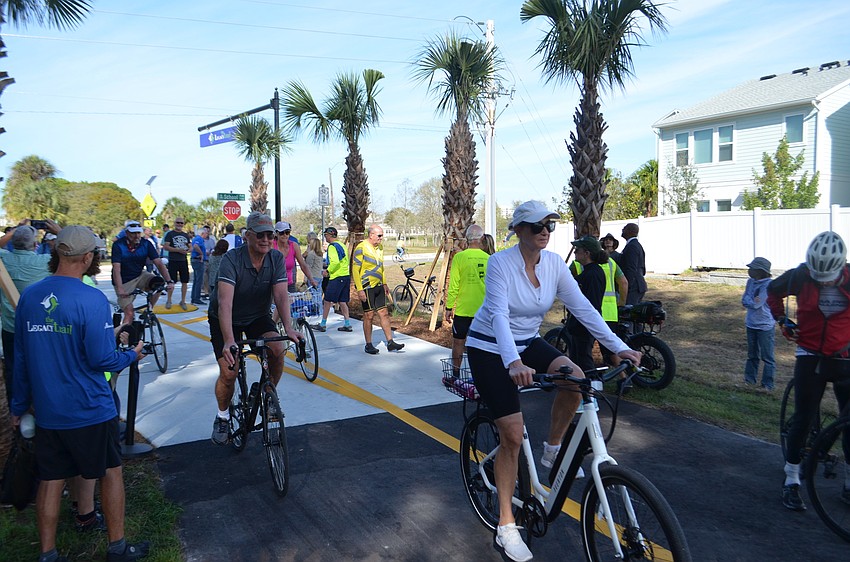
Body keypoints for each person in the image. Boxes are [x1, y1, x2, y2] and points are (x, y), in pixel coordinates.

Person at [465, 201, 640, 562]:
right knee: (512, 434)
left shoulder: (556, 264)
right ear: (518, 230)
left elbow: (584, 309)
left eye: (550, 225)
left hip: (527, 341)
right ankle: (507, 527)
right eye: (536, 226)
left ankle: (552, 449)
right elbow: (497, 313)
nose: (544, 231)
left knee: (575, 378)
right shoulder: (500, 263)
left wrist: (619, 348)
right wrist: (512, 361)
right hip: (489, 347)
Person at [10, 225, 151, 562]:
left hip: (48, 410)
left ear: (58, 253)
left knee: (51, 479)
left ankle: (48, 554)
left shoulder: (30, 296)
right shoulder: (91, 299)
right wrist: (132, 355)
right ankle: (117, 547)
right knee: (111, 472)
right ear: (88, 258)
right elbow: (101, 358)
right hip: (90, 408)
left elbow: (21, 357)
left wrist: (18, 406)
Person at [767, 231, 850, 512]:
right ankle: (791, 479)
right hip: (810, 353)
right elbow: (772, 291)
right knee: (803, 416)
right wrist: (781, 319)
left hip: (845, 356)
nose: (821, 281)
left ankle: (849, 482)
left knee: (849, 422)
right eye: (817, 276)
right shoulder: (801, 276)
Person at [208, 212, 302, 445]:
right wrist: (230, 340)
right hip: (225, 317)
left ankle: (266, 396)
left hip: (256, 316)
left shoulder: (276, 259)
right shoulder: (232, 260)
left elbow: (281, 295)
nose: (267, 239)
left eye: (270, 234)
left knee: (277, 348)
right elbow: (225, 303)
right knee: (230, 371)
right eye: (261, 234)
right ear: (247, 236)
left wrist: (288, 328)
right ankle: (222, 416)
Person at [0, 221, 60, 404]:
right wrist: (59, 232)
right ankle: (39, 405)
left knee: (12, 368)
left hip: (10, 326)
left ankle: (16, 408)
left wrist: (15, 231)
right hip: (37, 327)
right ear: (35, 245)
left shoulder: (4, 259)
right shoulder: (43, 262)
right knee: (39, 367)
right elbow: (70, 252)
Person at [351, 224, 404, 354]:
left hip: (378, 285)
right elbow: (355, 270)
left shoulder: (380, 247)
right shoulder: (361, 247)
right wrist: (359, 289)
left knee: (384, 313)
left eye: (382, 236)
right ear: (371, 235)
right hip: (366, 286)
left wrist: (384, 283)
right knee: (369, 315)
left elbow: (381, 267)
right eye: (379, 236)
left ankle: (390, 342)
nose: (381, 238)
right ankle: (368, 344)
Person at [445, 224, 490, 377]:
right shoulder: (490, 259)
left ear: (466, 239)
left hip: (464, 310)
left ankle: (455, 374)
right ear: (482, 238)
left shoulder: (459, 257)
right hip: (484, 311)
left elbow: (454, 285)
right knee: (483, 344)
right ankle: (481, 375)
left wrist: (449, 307)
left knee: (458, 342)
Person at [111, 220, 173, 324]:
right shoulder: (118, 245)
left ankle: (148, 310)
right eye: (133, 233)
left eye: (138, 233)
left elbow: (158, 263)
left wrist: (169, 281)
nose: (136, 236)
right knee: (129, 313)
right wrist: (120, 289)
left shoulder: (146, 244)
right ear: (126, 233)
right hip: (124, 280)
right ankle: (122, 336)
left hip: (140, 274)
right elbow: (117, 269)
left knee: (159, 283)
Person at [566, 236, 608, 377]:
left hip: (584, 325)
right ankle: (581, 390)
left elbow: (591, 303)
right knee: (578, 359)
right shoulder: (589, 271)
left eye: (577, 250)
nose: (575, 252)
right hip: (581, 324)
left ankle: (592, 391)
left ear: (587, 253)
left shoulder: (593, 274)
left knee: (584, 360)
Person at [742, 257, 775, 390]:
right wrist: (750, 300)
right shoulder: (750, 282)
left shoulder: (768, 285)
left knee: (767, 357)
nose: (749, 271)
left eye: (752, 269)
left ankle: (768, 385)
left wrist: (750, 301)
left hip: (765, 325)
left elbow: (757, 304)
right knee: (752, 355)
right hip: (751, 323)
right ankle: (749, 380)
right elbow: (744, 299)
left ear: (760, 271)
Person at [313, 227, 353, 332]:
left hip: (336, 277)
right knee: (342, 301)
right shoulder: (342, 245)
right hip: (345, 276)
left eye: (325, 235)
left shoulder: (332, 247)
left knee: (327, 300)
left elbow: (335, 262)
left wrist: (327, 271)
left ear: (330, 235)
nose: (325, 237)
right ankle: (347, 324)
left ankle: (323, 324)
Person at [274, 221, 317, 292]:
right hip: (274, 284)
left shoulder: (294, 245)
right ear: (276, 234)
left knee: (291, 302)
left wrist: (311, 279)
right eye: (281, 233)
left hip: (289, 283)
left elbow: (303, 265)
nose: (285, 235)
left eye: (287, 232)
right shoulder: (271, 246)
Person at [161, 217, 191, 310]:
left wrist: (187, 251)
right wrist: (178, 250)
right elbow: (166, 246)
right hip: (173, 260)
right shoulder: (170, 234)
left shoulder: (185, 235)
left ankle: (183, 301)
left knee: (185, 281)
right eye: (178, 222)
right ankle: (169, 300)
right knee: (171, 281)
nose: (179, 224)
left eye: (181, 223)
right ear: (174, 223)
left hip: (183, 260)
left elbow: (190, 246)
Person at [619, 222, 647, 305]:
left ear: (630, 231)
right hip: (638, 284)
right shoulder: (636, 245)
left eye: (625, 228)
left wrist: (627, 286)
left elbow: (631, 268)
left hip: (634, 287)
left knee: (630, 311)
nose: (622, 230)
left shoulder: (632, 246)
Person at [189, 227, 208, 306]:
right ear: (202, 233)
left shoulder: (196, 238)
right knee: (199, 280)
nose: (207, 235)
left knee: (196, 280)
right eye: (206, 233)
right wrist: (201, 254)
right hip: (198, 260)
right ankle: (196, 298)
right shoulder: (199, 239)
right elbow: (196, 246)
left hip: (195, 260)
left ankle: (194, 297)